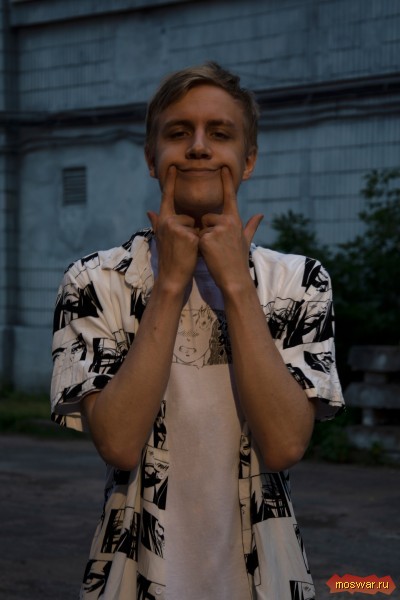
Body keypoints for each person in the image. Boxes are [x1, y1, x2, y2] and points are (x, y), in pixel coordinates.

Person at [51, 62, 344, 600]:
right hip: (132, 577)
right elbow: (117, 444)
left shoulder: (298, 282)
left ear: (248, 160)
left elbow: (284, 445)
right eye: (179, 132)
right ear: (151, 157)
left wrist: (236, 285)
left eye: (221, 133)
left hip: (264, 579)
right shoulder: (95, 281)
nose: (199, 148)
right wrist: (169, 284)